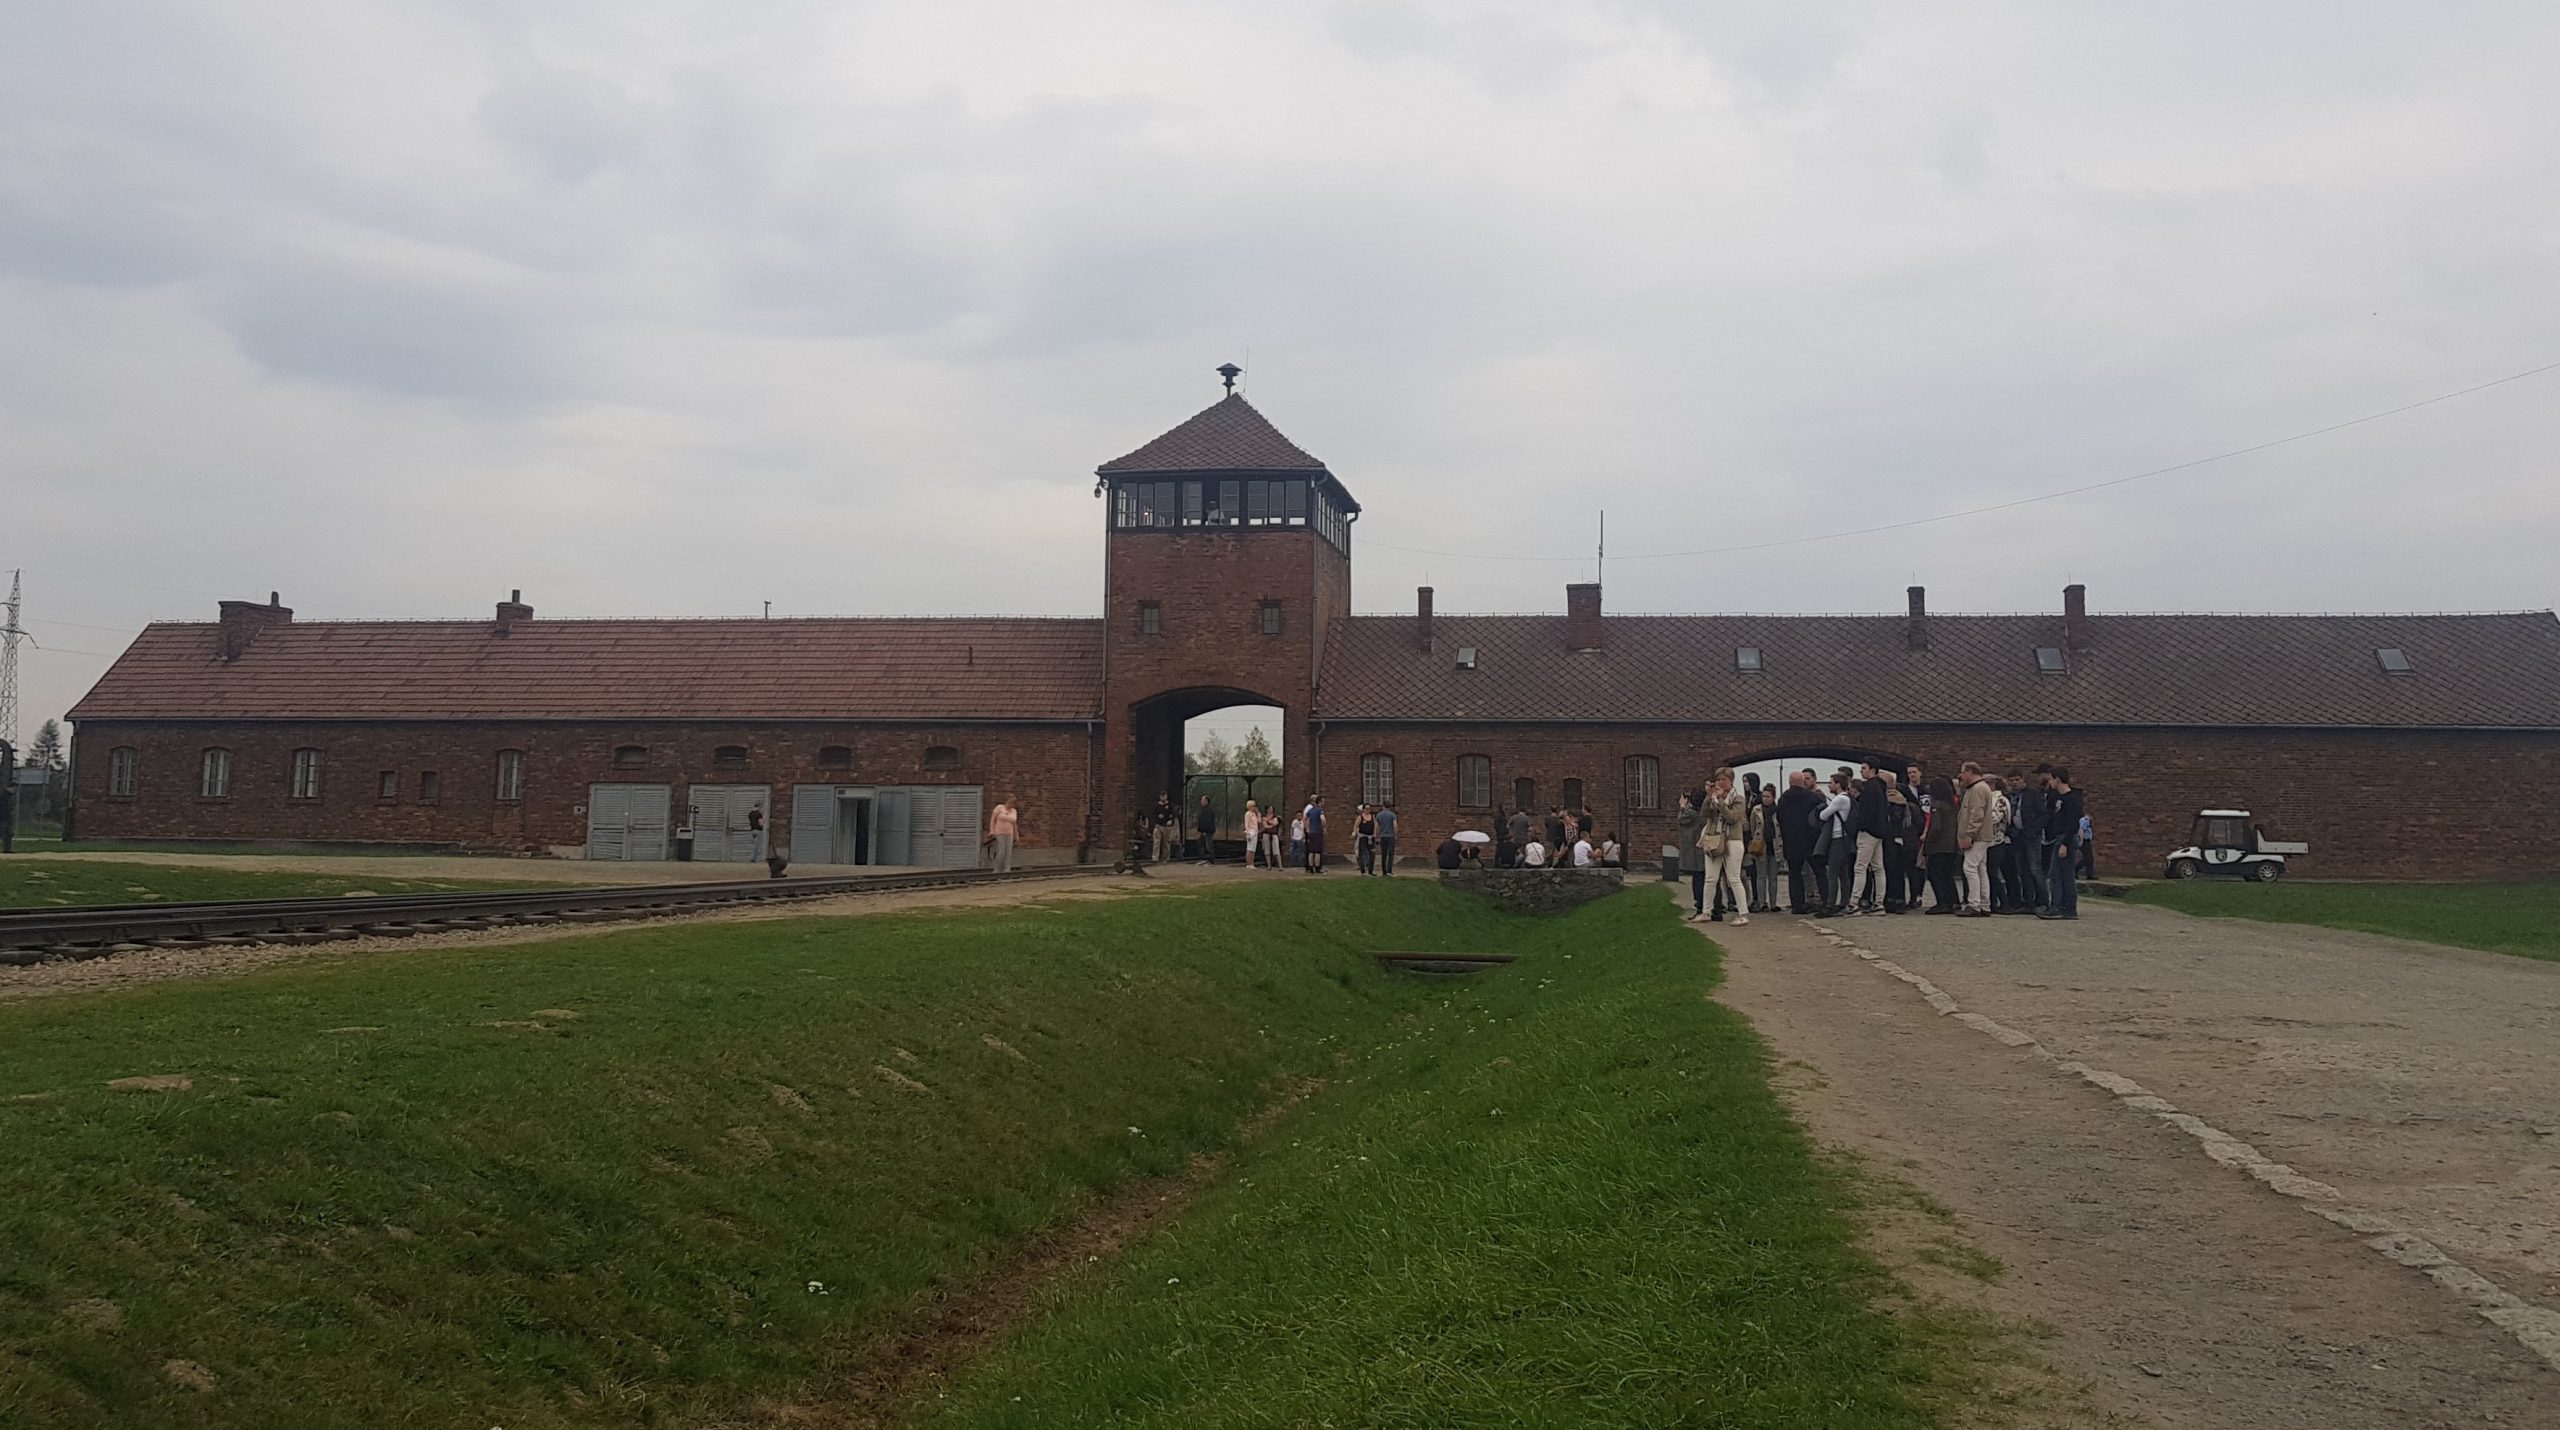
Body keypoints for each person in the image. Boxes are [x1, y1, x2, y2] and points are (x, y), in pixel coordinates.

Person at [1696, 767, 1749, 925]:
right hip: (1714, 839)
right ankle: (1706, 911)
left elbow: (1732, 818)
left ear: (1731, 781)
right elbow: (1704, 814)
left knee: (1733, 878)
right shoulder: (1712, 798)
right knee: (1710, 878)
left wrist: (1720, 802)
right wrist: (1709, 797)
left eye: (1723, 780)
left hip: (1732, 839)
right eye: (1718, 780)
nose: (1720, 782)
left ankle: (1743, 913)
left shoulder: (1738, 799)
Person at [1954, 763, 2002, 917]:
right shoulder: (1981, 788)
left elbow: (1976, 814)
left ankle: (1974, 904)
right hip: (1984, 835)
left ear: (1969, 772)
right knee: (1981, 869)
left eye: (1963, 772)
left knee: (1970, 867)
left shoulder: (1977, 789)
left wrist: (1969, 835)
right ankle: (1984, 904)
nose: (1961, 776)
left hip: (1978, 836)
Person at [1777, 768, 1827, 915]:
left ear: (1789, 782)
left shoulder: (1783, 799)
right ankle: (1825, 900)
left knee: (1794, 874)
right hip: (1810, 840)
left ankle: (1797, 904)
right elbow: (1819, 817)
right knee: (1819, 871)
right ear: (1802, 782)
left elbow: (1780, 819)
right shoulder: (1811, 798)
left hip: (1791, 841)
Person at [2041, 769, 2084, 920]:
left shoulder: (2071, 799)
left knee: (2063, 874)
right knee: (2058, 874)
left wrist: (2064, 843)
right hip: (2059, 837)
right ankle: (2059, 905)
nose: (2050, 783)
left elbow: (2072, 824)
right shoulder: (2058, 798)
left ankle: (2065, 906)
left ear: (2057, 779)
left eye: (2051, 780)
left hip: (2066, 838)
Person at [1850, 763, 1888, 913]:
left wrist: (1859, 826)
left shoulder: (1869, 788)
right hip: (1879, 832)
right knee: (1878, 868)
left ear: (1872, 769)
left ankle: (1854, 902)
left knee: (1860, 867)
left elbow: (1866, 811)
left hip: (1868, 832)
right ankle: (1879, 903)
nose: (1861, 770)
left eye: (1864, 768)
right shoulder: (1881, 787)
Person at [1922, 774, 1961, 913]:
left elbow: (1936, 827)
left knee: (1934, 874)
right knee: (1947, 875)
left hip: (1939, 846)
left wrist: (1927, 843)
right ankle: (1953, 901)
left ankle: (1942, 902)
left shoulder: (1937, 806)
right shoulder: (1953, 806)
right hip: (1951, 845)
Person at [1823, 771, 1858, 916]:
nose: (1829, 785)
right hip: (1845, 838)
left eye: (1831, 782)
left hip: (1838, 838)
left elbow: (1823, 815)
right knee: (1843, 873)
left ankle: (1830, 904)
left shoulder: (1839, 799)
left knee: (1832, 872)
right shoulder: (1848, 798)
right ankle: (1844, 901)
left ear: (1838, 784)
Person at [1675, 792, 1707, 917]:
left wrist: (1682, 806)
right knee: (1704, 878)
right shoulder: (1703, 813)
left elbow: (1681, 819)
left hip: (1695, 850)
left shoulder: (1691, 814)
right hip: (1702, 848)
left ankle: (1700, 905)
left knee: (1698, 879)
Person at [986, 796, 1019, 873]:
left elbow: (1014, 824)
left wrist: (1016, 835)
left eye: (1013, 803)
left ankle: (1007, 869)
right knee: (1001, 851)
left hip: (1009, 834)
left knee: (1008, 852)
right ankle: (997, 869)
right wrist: (992, 831)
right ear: (1007, 801)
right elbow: (993, 819)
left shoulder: (1014, 811)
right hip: (999, 833)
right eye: (1010, 802)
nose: (1011, 805)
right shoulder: (999, 808)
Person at [1150, 794, 1178, 865]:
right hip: (1158, 826)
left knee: (1166, 843)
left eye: (1164, 796)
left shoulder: (1170, 805)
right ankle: (1155, 857)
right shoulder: (1156, 806)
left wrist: (1171, 820)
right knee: (1156, 841)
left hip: (1167, 826)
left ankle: (1165, 858)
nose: (1163, 797)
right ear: (1160, 797)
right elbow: (1152, 815)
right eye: (1162, 796)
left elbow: (1174, 814)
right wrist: (1154, 823)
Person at [1303, 795, 1327, 873]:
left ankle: (1310, 867)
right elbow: (1323, 819)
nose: (1324, 803)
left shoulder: (1311, 810)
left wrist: (1307, 828)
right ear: (1319, 802)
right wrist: (1324, 827)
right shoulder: (1320, 810)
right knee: (1317, 851)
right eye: (1323, 802)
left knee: (1311, 851)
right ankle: (1317, 867)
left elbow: (1305, 818)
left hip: (1311, 832)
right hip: (1317, 832)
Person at [1194, 795, 1220, 864]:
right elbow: (1201, 820)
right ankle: (1203, 858)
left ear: (1207, 801)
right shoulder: (1202, 810)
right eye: (1201, 800)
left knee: (1209, 845)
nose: (1201, 802)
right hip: (1203, 831)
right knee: (1200, 843)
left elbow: (1207, 821)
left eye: (1203, 800)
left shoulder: (1209, 810)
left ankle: (1211, 860)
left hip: (1208, 831)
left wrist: (1205, 830)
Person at [1376, 801, 1399, 876]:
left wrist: (1377, 835)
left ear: (1383, 806)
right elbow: (1395, 826)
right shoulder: (1392, 815)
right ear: (1390, 807)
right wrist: (1395, 835)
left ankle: (1384, 872)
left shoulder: (1379, 815)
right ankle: (1389, 870)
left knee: (1384, 854)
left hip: (1383, 836)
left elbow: (1377, 827)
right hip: (1390, 836)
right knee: (1391, 854)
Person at [1354, 804, 1378, 875]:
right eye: (1366, 808)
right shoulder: (1360, 817)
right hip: (1363, 837)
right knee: (1364, 853)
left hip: (1371, 837)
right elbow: (1355, 827)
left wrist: (1374, 834)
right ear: (1363, 809)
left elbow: (1375, 826)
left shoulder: (1373, 817)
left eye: (1369, 808)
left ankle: (1370, 871)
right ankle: (1363, 870)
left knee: (1372, 854)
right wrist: (1359, 834)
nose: (1368, 810)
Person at [1240, 800, 1263, 869]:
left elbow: (1259, 821)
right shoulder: (1248, 814)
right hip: (1251, 831)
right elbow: (1246, 824)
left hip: (1255, 831)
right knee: (1249, 848)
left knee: (1253, 848)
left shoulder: (1254, 814)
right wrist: (1248, 832)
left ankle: (1252, 863)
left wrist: (1258, 813)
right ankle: (1249, 863)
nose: (1255, 807)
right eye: (1254, 806)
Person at [2076, 809, 2096, 879]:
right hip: (2084, 841)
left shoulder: (2086, 820)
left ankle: (2090, 874)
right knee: (2087, 858)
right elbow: (2081, 830)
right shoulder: (2085, 820)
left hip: (2086, 840)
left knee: (2089, 858)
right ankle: (2075, 869)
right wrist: (2081, 840)